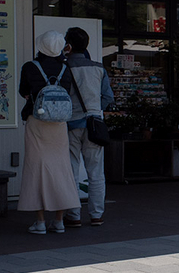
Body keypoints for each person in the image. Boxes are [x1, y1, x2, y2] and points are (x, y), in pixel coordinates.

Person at [18, 31, 80, 234]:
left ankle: (40, 222)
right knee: (61, 169)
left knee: (36, 168)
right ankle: (60, 220)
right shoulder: (65, 68)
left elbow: (23, 91)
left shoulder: (30, 67)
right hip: (59, 123)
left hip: (37, 120)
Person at [62, 27, 114, 228]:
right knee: (96, 173)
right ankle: (97, 215)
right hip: (94, 125)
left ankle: (73, 215)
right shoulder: (98, 68)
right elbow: (108, 97)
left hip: (70, 124)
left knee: (72, 171)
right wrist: (94, 111)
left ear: (68, 45)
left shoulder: (64, 67)